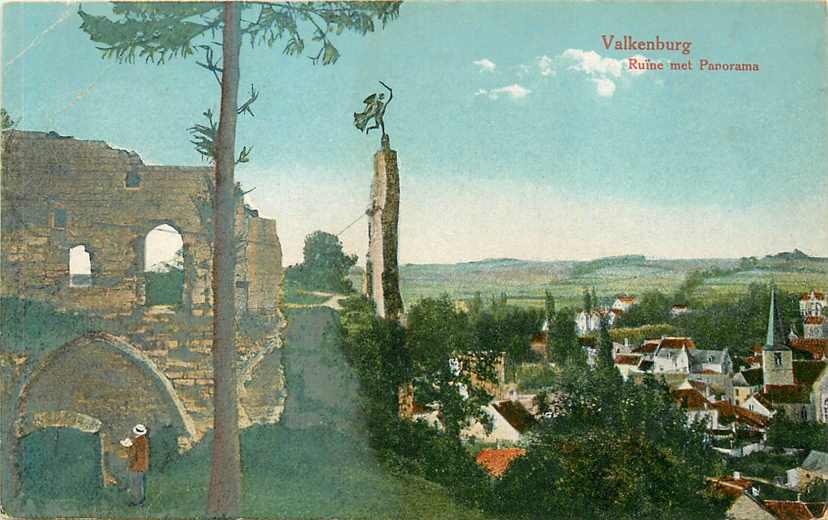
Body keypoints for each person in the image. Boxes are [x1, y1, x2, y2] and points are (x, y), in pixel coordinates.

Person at [124, 423, 149, 506]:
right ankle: (140, 501)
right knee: (139, 484)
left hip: (137, 466)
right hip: (142, 466)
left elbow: (133, 454)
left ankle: (137, 502)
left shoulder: (138, 441)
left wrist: (129, 447)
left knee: (135, 484)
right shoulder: (143, 440)